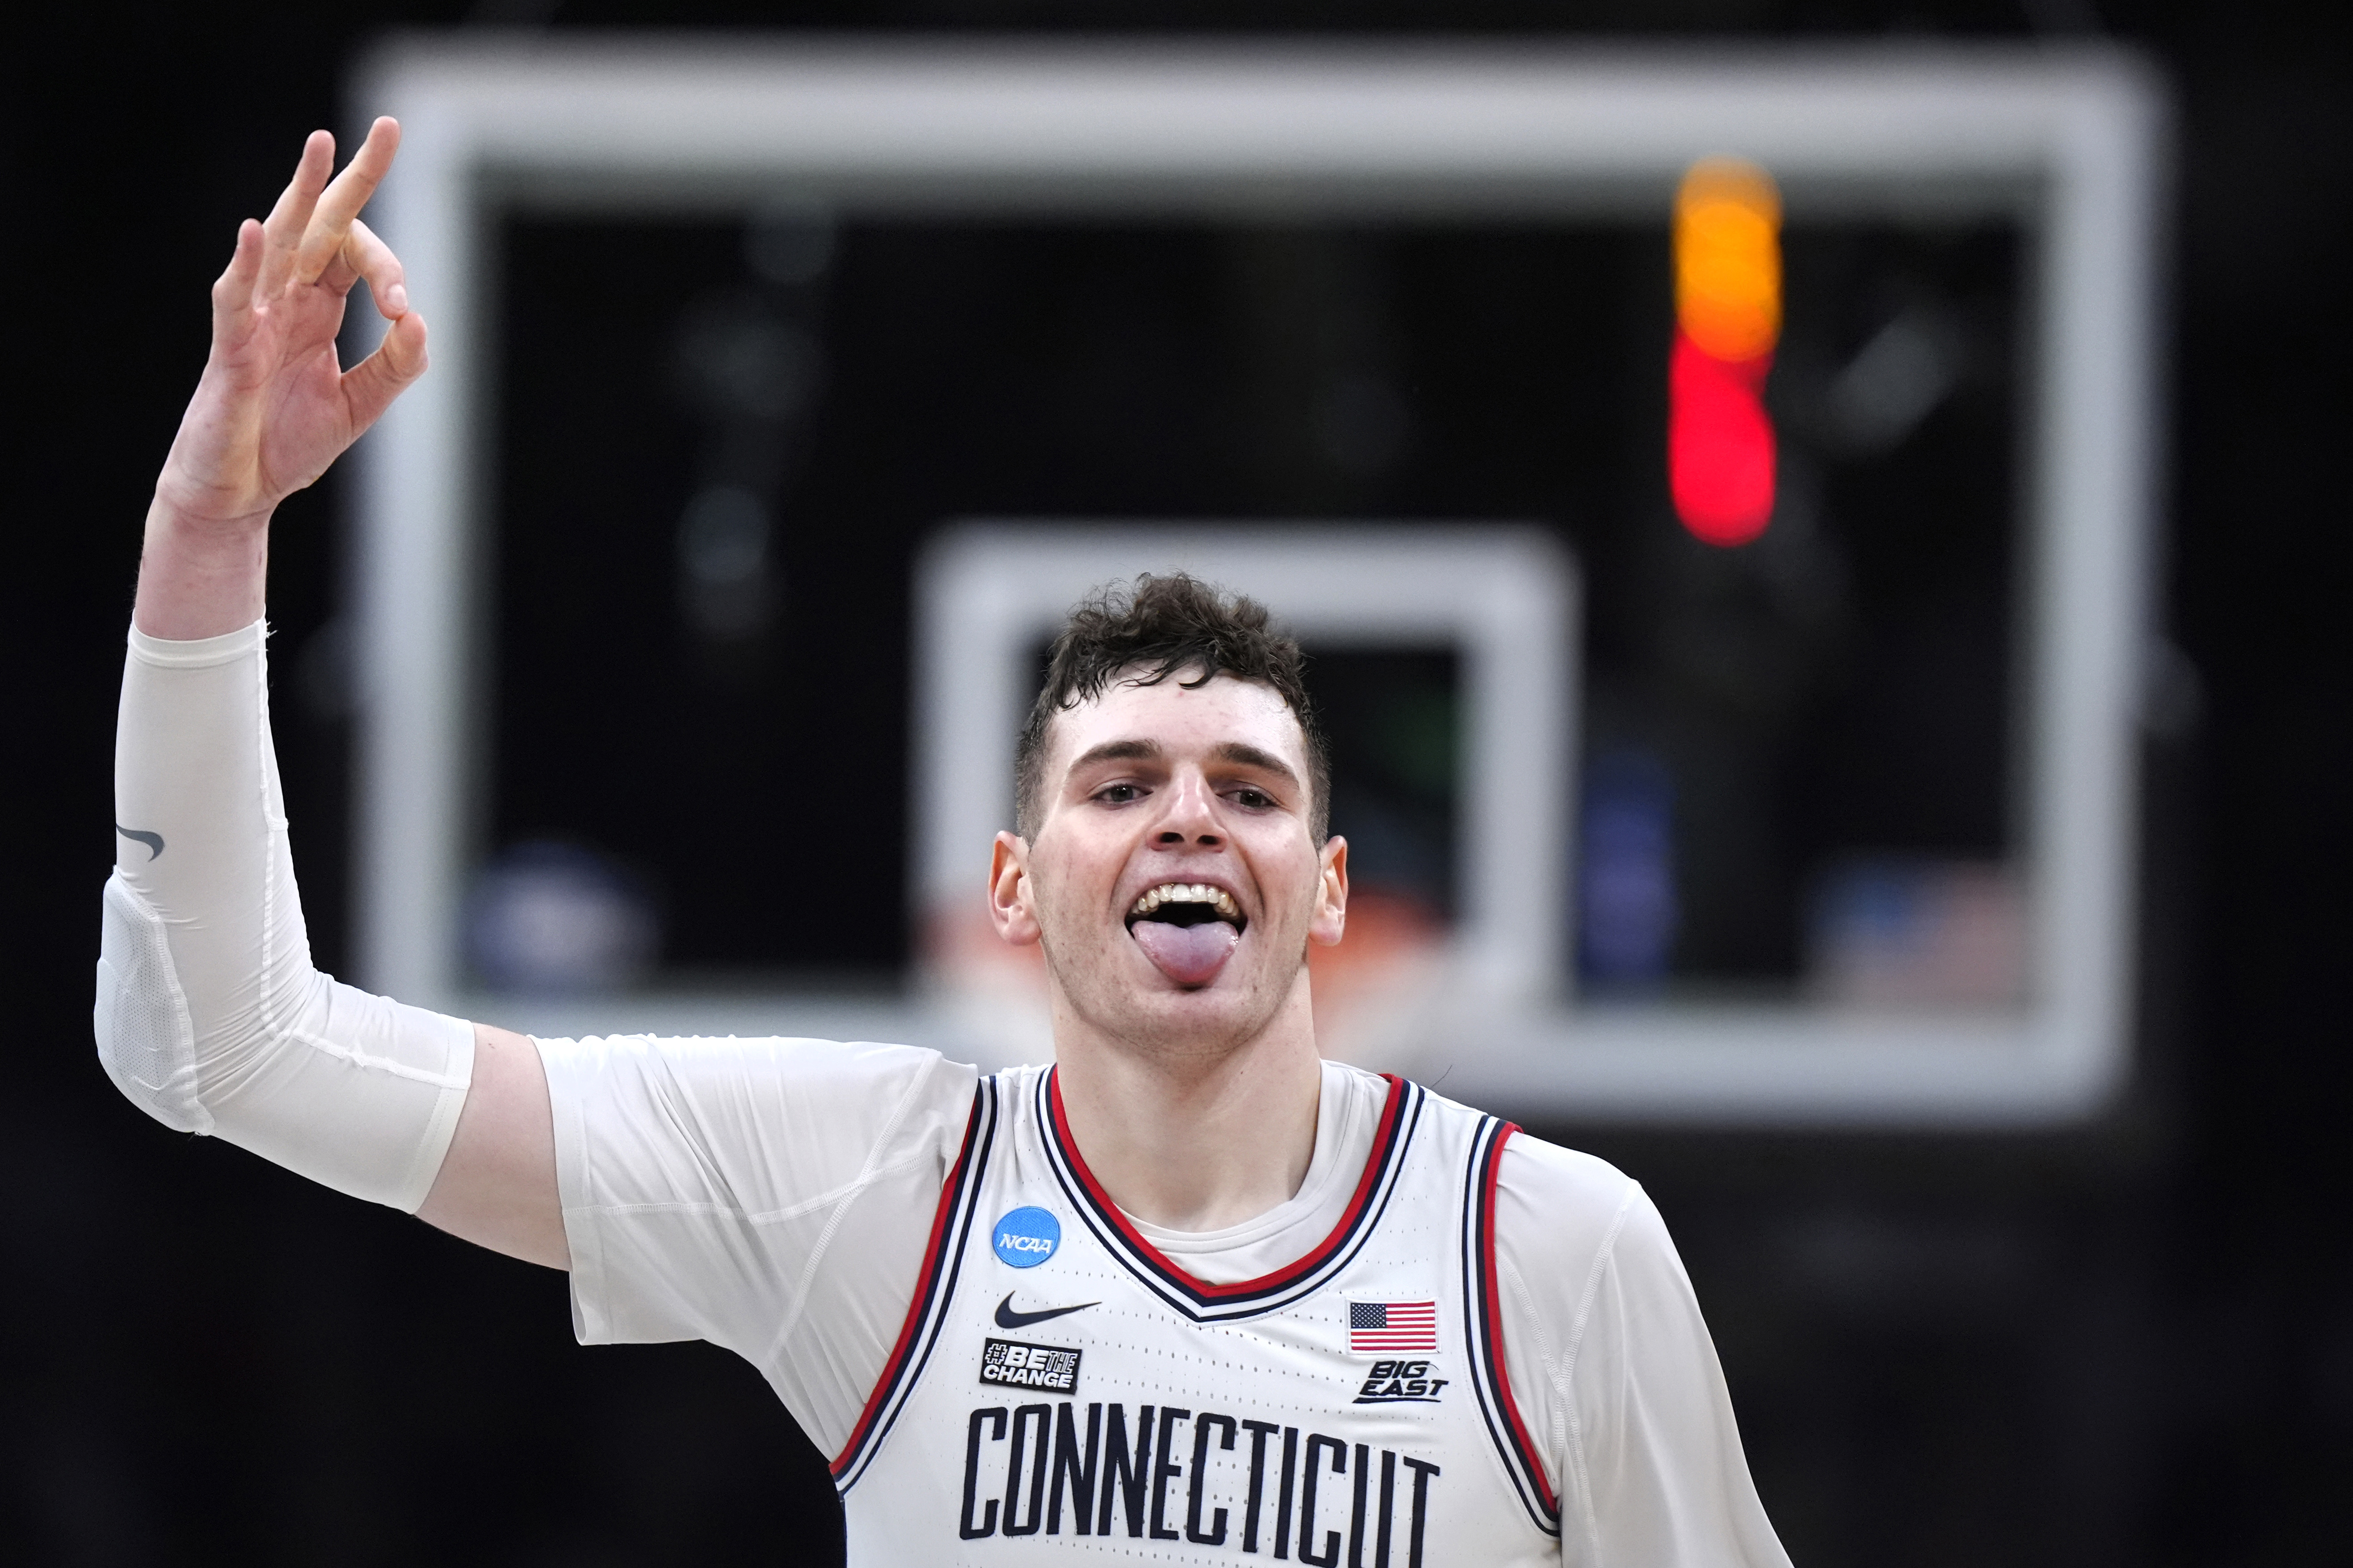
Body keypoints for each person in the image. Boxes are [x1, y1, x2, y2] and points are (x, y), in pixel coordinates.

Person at [99, 121, 1793, 1567]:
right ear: (1009, 890)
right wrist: (210, 527)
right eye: (1118, 784)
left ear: (1332, 892)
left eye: (1250, 788)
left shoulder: (1555, 1250)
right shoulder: (877, 1186)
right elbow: (226, 1045)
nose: (1188, 814)